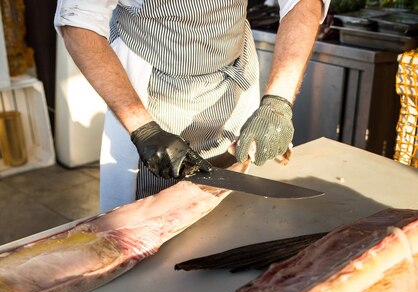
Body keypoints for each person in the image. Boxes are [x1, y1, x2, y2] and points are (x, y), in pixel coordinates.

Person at [54, 0, 330, 212]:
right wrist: (143, 129)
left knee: (231, 209)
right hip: (152, 91)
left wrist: (278, 100)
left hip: (234, 78)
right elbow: (78, 22)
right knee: (149, 219)